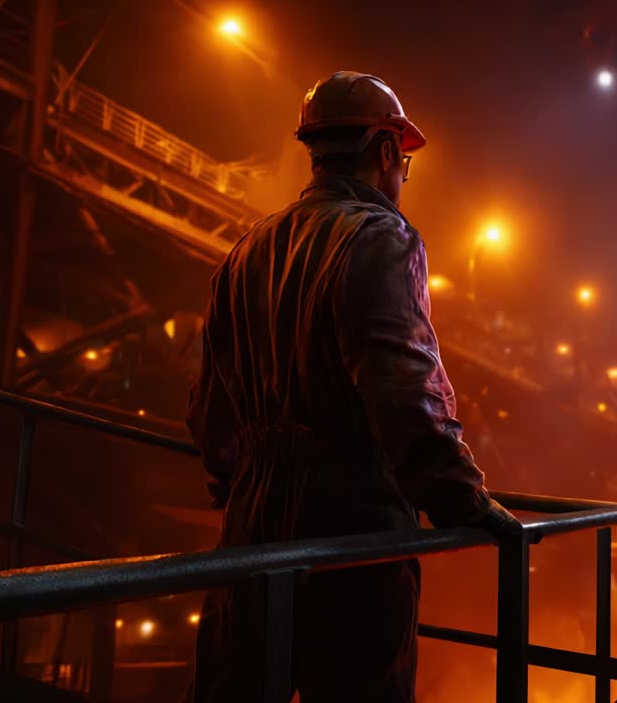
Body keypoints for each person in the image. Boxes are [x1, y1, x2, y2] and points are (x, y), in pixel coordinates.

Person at [186, 71, 520, 702]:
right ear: (387, 150)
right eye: (404, 161)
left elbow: (211, 408)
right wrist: (464, 502)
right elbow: (405, 392)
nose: (403, 176)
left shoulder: (247, 248)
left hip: (253, 522)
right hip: (351, 523)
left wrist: (237, 483)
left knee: (237, 687)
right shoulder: (379, 237)